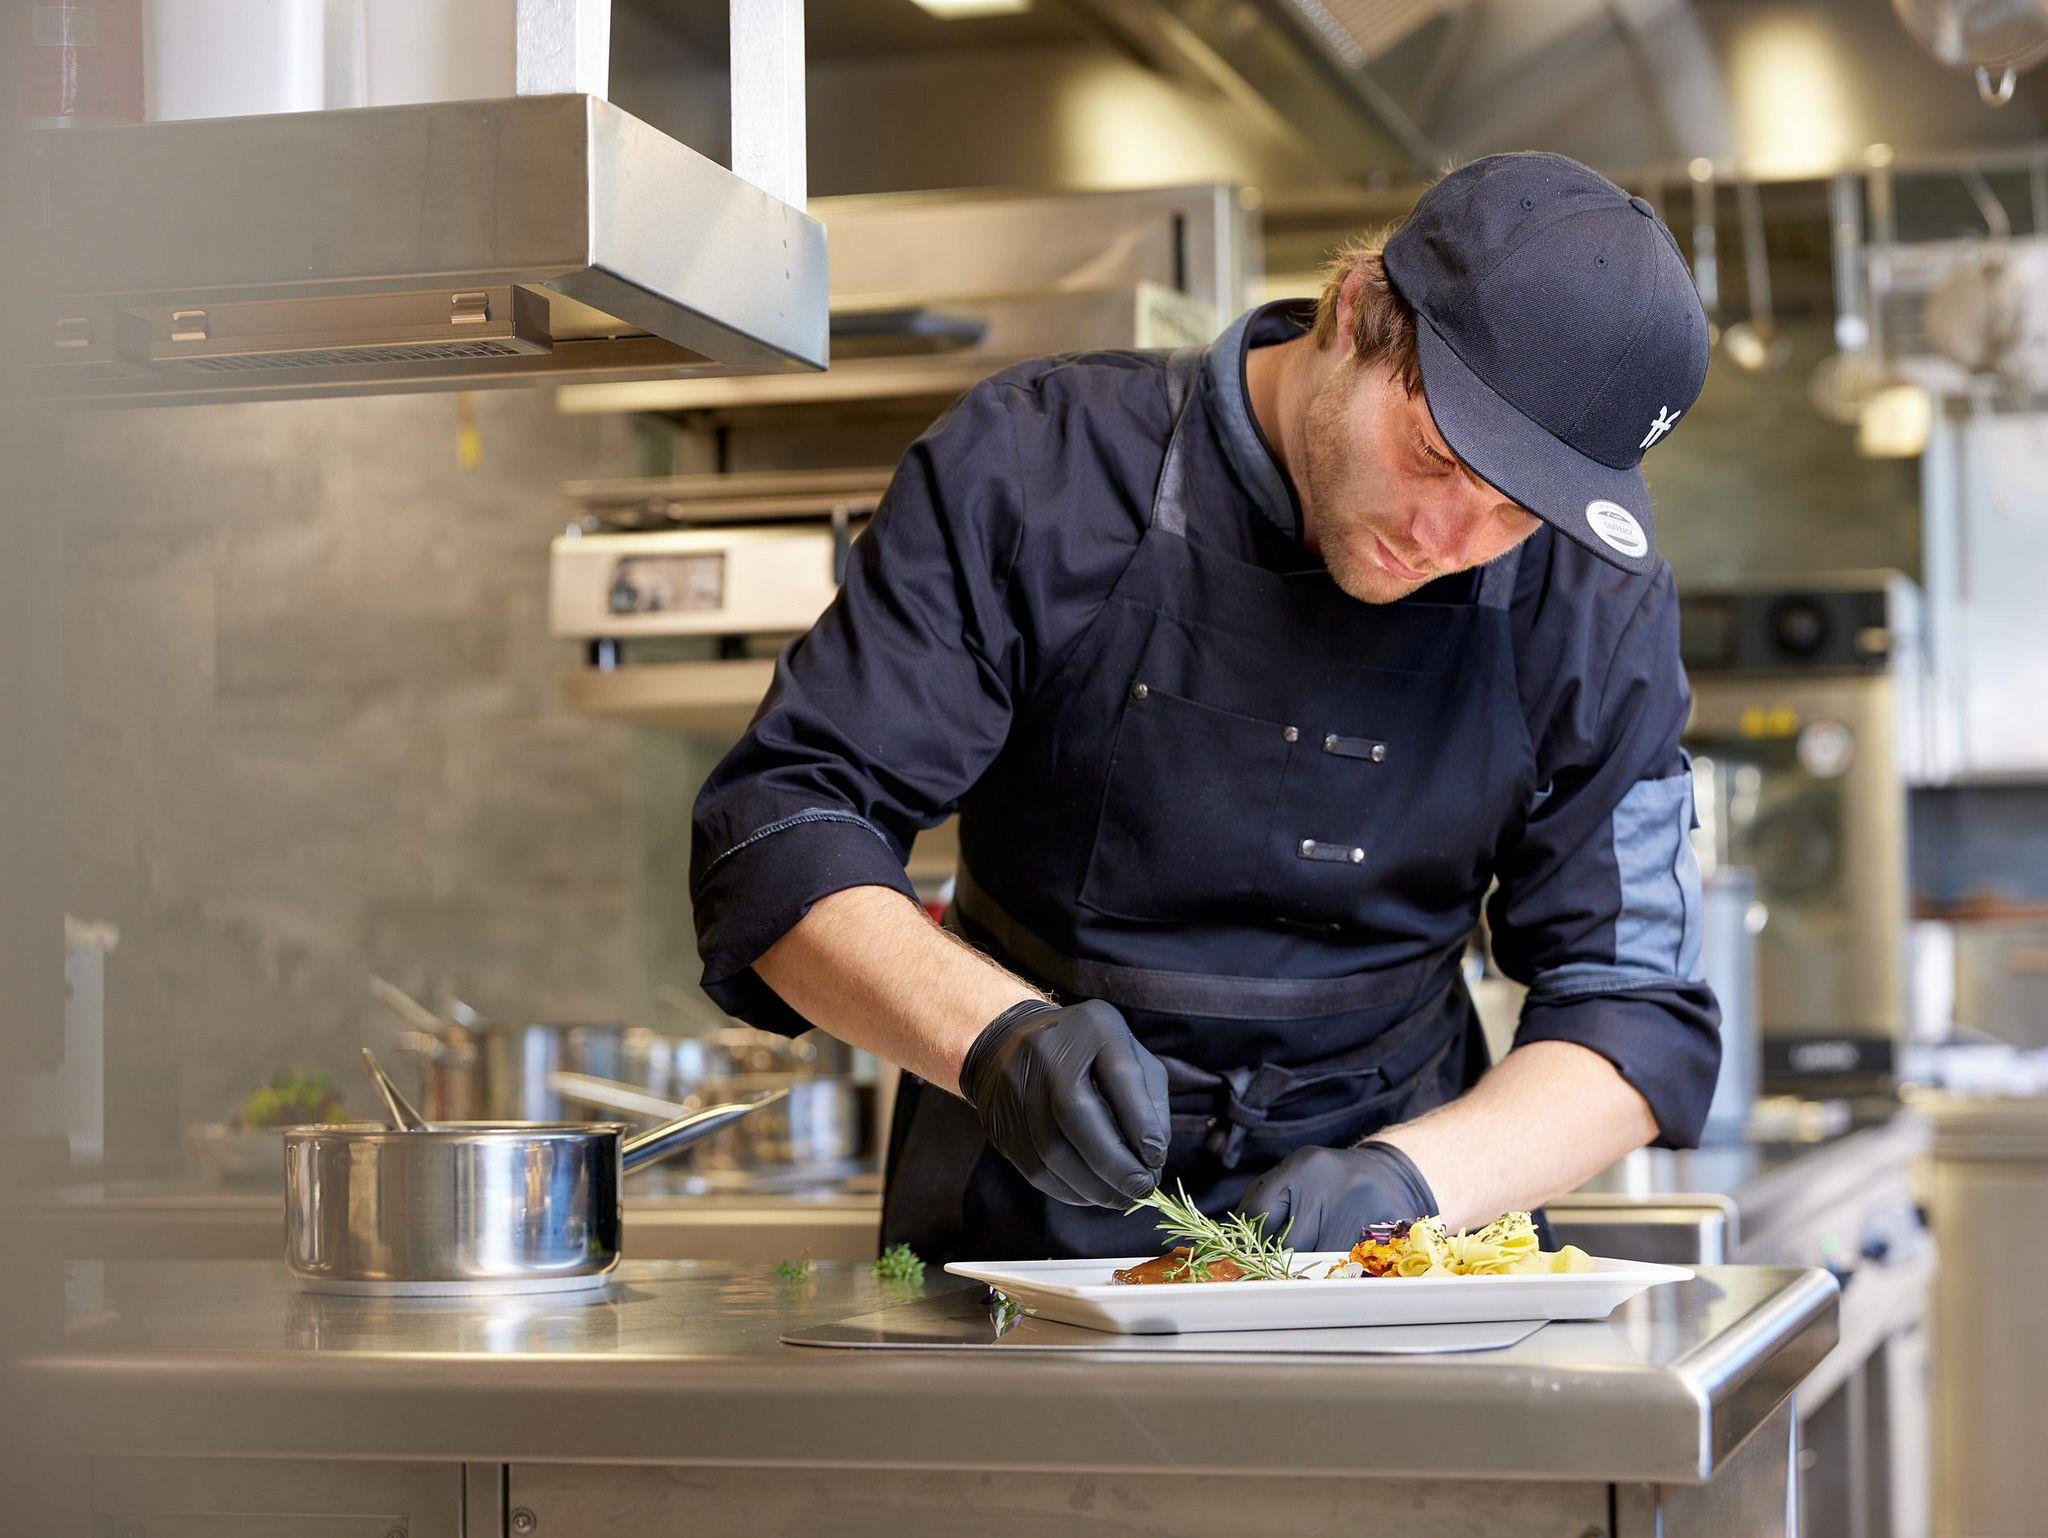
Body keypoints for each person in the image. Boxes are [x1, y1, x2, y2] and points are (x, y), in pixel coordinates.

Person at [690, 152, 1720, 1262]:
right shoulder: (1039, 466)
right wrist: (998, 1041)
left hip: (1401, 1250)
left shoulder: (1588, 593)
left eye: (1513, 512)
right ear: (1353, 310)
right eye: (1433, 456)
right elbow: (782, 831)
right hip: (1018, 1228)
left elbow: (1635, 1009)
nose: (1447, 539)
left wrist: (1410, 1180)